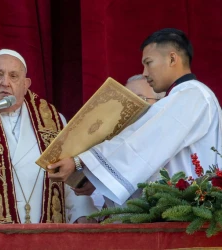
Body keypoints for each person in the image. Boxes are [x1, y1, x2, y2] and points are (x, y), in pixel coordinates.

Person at [48, 28, 222, 206]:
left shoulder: (192, 95)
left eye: (149, 63)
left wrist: (81, 161)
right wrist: (96, 176)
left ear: (172, 58)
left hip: (186, 212)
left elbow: (142, 142)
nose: (145, 73)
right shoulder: (185, 96)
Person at [0, 49, 98, 224]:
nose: (5, 82)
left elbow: (66, 176)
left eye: (14, 76)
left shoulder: (55, 120)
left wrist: (83, 215)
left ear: (26, 83)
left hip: (45, 236)